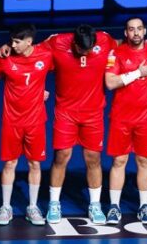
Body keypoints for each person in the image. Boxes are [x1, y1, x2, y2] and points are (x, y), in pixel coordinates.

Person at [46, 25, 118, 225]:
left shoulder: (103, 39)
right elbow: (32, 51)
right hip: (65, 113)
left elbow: (120, 45)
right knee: (62, 156)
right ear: (74, 43)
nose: (85, 54)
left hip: (93, 114)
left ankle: (95, 205)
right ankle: (53, 203)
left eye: (89, 50)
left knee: (93, 158)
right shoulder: (57, 42)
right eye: (82, 50)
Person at [103, 18, 147, 224]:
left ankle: (144, 207)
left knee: (143, 161)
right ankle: (114, 207)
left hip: (146, 118)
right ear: (126, 33)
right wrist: (138, 73)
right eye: (131, 29)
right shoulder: (116, 54)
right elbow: (110, 83)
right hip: (121, 118)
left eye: (139, 29)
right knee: (119, 161)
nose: (136, 33)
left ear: (145, 31)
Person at [0, 23, 54, 226]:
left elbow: (66, 57)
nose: (13, 44)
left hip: (36, 121)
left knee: (34, 163)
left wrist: (45, 92)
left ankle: (32, 206)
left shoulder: (45, 55)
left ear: (29, 41)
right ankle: (6, 207)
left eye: (17, 41)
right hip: (12, 121)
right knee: (10, 163)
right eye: (12, 41)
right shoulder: (6, 57)